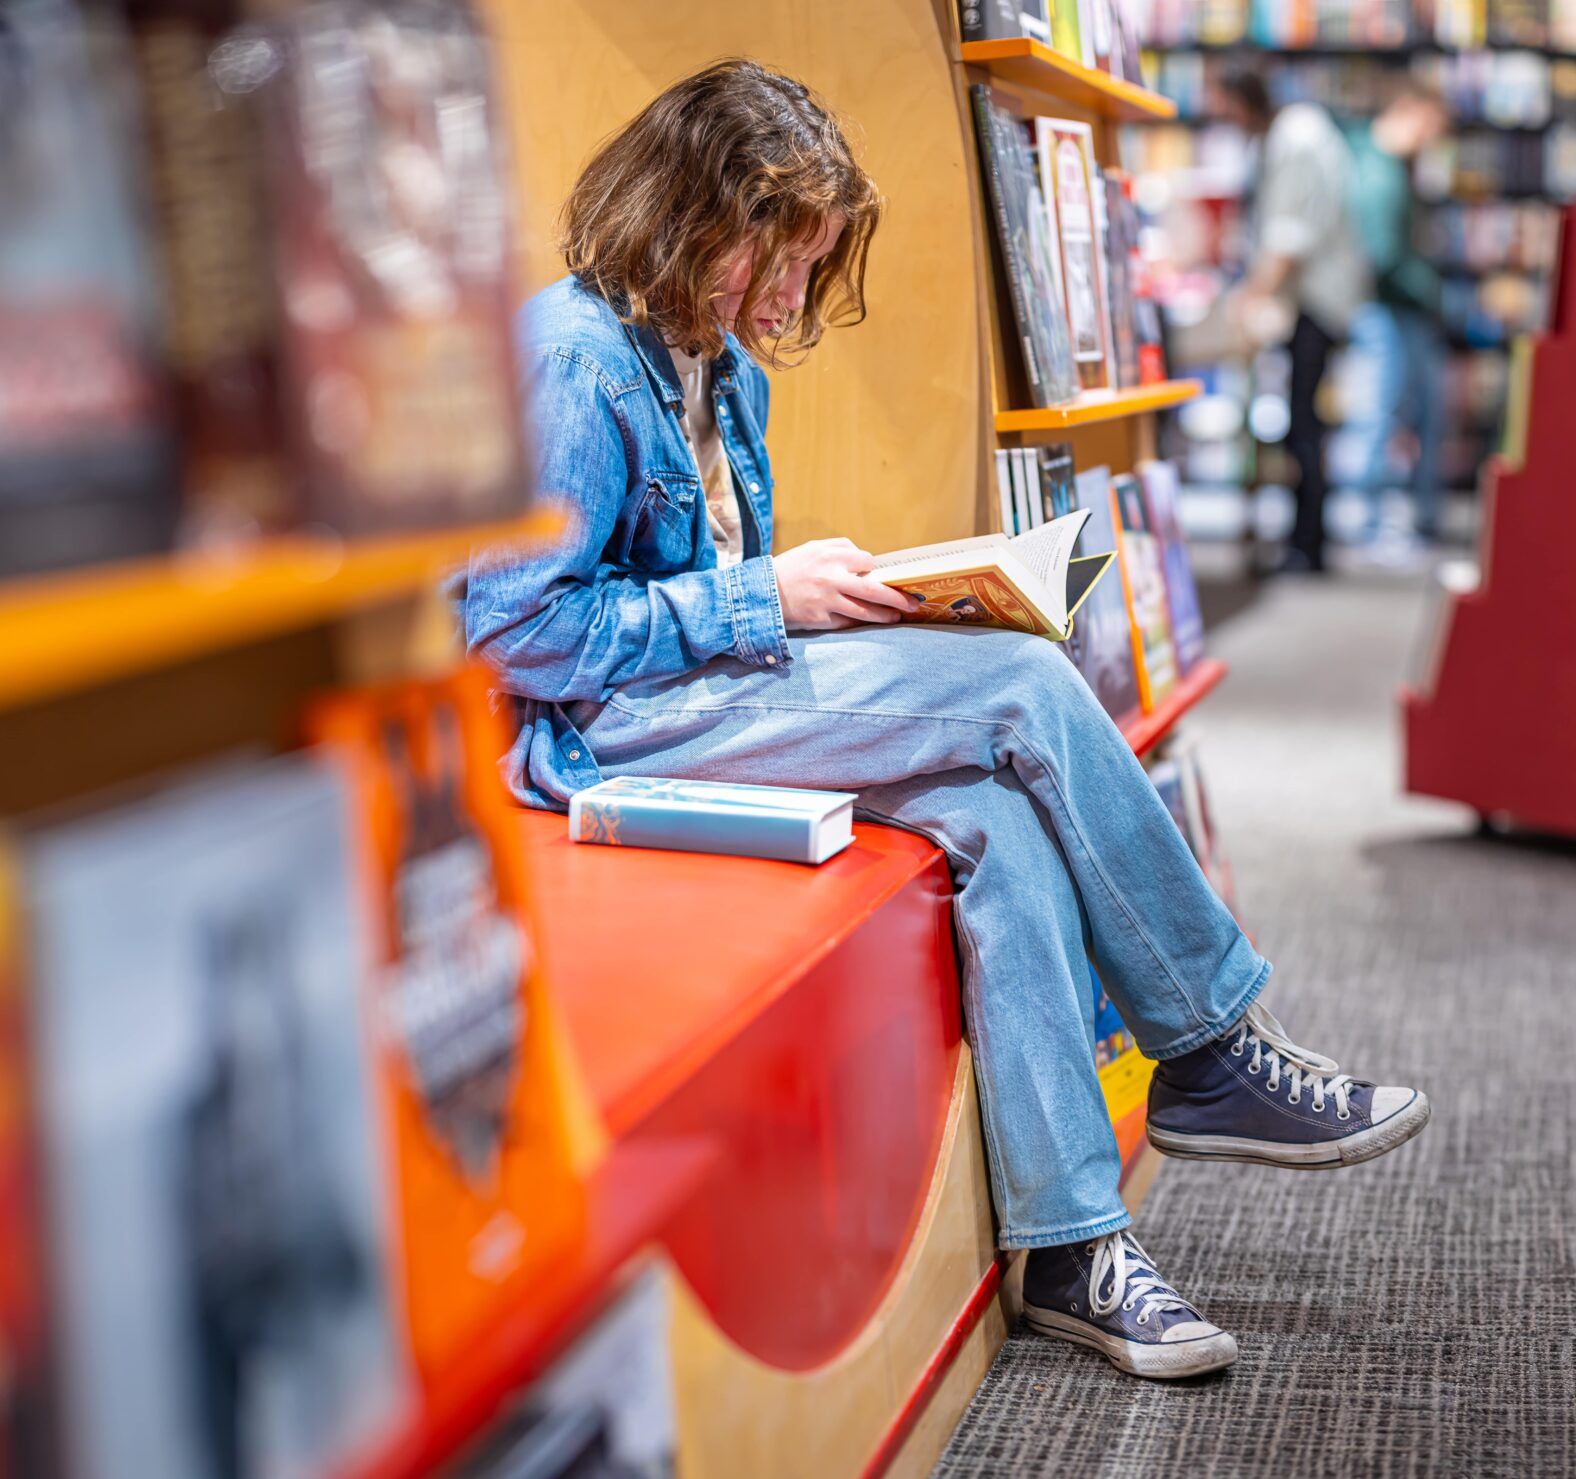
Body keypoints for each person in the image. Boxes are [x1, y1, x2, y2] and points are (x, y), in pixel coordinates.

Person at [460, 60, 1430, 1381]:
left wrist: (838, 594)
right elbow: (514, 629)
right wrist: (767, 594)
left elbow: (713, 574)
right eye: (780, 260)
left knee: (992, 812)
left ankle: (1072, 1244)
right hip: (608, 730)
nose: (795, 299)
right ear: (692, 215)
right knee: (1028, 688)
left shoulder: (717, 362)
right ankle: (1208, 1044)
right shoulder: (573, 358)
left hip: (705, 697)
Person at [1212, 67, 1372, 575]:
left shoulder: (1299, 138)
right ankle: (1300, 542)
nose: (1222, 118)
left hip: (1315, 304)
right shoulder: (1282, 137)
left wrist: (1249, 295)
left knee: (1304, 424)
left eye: (1224, 106)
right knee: (1297, 421)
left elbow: (1290, 236)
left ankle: (1308, 546)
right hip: (1303, 302)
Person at [1340, 79, 1451, 562]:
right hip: (1389, 309)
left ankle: (1384, 519)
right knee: (1380, 413)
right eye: (1429, 127)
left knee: (1397, 413)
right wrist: (1431, 292)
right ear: (1408, 111)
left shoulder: (1383, 166)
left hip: (1396, 308)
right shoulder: (1378, 172)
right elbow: (1383, 253)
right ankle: (1368, 521)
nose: (1430, 139)